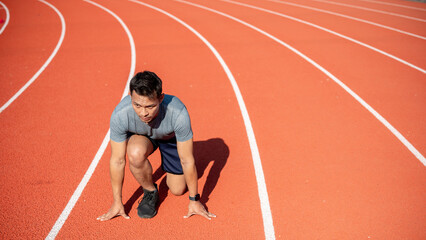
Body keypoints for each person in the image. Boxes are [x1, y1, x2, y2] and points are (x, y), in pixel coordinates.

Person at [97, 71, 215, 221]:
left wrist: (194, 200)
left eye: (150, 106)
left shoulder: (178, 113)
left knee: (178, 190)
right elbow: (117, 161)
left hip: (170, 139)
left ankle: (171, 167)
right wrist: (117, 202)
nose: (143, 112)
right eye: (137, 105)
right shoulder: (120, 114)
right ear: (130, 96)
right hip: (143, 137)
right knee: (134, 153)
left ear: (161, 98)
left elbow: (187, 160)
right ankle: (150, 191)